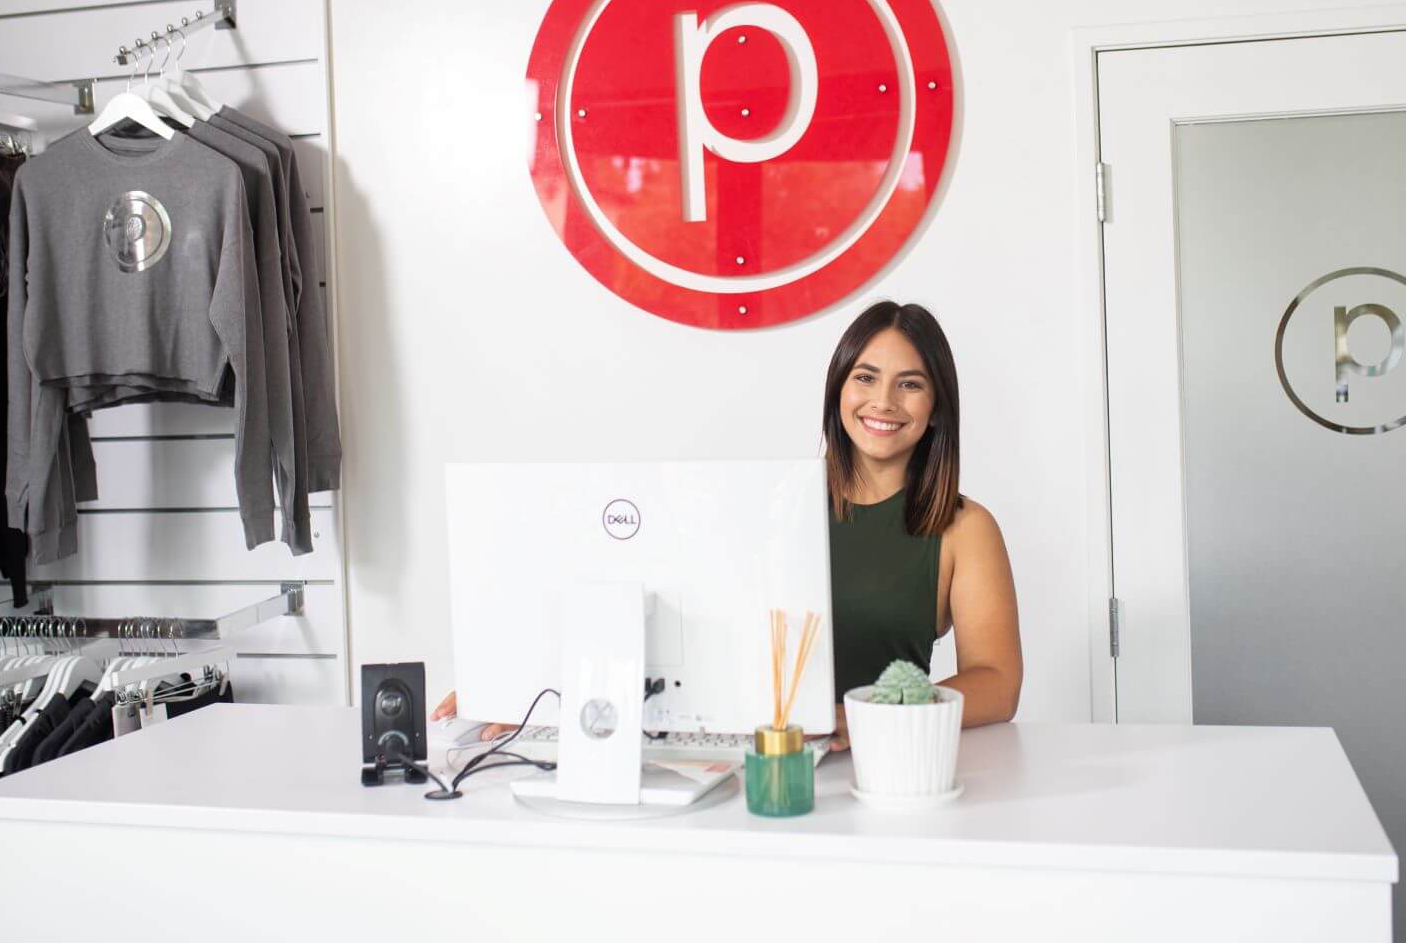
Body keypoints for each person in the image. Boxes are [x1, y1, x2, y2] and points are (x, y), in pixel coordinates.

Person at [432, 300, 1023, 748]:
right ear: (838, 388)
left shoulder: (964, 529)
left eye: (910, 384)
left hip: (884, 765)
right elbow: (678, 631)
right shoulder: (768, 503)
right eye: (864, 377)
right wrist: (526, 690)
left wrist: (873, 715)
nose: (883, 401)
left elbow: (997, 683)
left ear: (936, 404)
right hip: (755, 758)